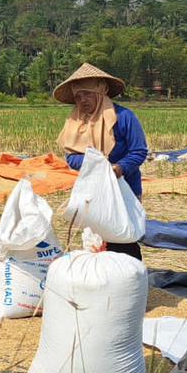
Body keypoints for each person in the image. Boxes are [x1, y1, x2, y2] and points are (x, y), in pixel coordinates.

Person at [54, 63, 149, 260]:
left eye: (87, 94)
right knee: (95, 237)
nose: (82, 101)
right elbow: (72, 157)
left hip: (125, 188)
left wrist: (118, 168)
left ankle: (127, 276)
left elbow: (138, 151)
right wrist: (98, 165)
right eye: (78, 97)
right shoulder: (77, 122)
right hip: (93, 190)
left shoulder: (124, 117)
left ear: (101, 92)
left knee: (123, 239)